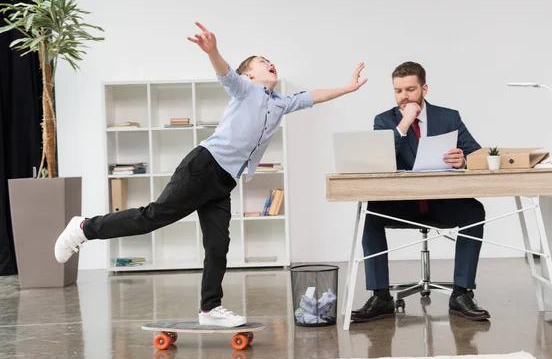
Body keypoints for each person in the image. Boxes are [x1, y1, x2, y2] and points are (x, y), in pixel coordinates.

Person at [54, 21, 368, 328]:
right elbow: (225, 74)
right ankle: (84, 227)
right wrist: (212, 51)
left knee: (217, 245)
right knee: (153, 217)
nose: (271, 64)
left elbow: (313, 96)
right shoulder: (246, 89)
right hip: (203, 167)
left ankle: (210, 307)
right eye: (263, 62)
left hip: (223, 182)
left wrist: (348, 88)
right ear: (250, 74)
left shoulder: (281, 103)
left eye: (271, 62)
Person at [351, 61, 489, 323]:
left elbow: (476, 153)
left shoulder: (449, 117)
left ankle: (461, 293)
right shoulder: (384, 120)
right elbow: (378, 161)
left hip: (440, 202)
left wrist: (465, 160)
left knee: (475, 211)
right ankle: (380, 297)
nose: (404, 96)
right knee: (369, 212)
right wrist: (405, 122)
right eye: (398, 91)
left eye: (410, 89)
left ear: (424, 88)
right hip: (401, 204)